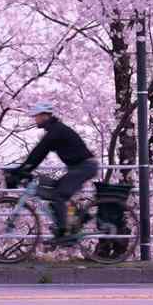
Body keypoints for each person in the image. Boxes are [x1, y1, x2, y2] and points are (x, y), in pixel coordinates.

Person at [17, 102, 98, 242]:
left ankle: (63, 232)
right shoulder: (54, 129)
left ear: (44, 116)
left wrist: (24, 169)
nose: (35, 119)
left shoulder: (56, 130)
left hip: (84, 167)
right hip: (79, 167)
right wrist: (25, 168)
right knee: (56, 188)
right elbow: (40, 152)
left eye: (36, 116)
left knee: (59, 195)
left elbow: (39, 151)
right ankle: (81, 217)